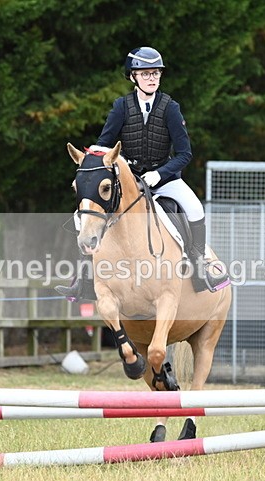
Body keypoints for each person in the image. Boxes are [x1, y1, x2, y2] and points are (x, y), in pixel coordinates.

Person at [56, 46, 230, 301]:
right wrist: (95, 154)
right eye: (146, 73)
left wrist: (160, 174)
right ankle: (85, 276)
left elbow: (184, 154)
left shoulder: (170, 108)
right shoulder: (121, 107)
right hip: (130, 180)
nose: (152, 78)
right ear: (133, 76)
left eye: (156, 73)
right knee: (82, 214)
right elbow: (104, 143)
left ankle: (200, 264)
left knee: (195, 208)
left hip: (164, 179)